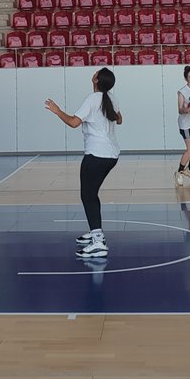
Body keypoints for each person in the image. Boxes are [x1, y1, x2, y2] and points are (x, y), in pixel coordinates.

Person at [45, 68, 122, 259]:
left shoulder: (93, 98)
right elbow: (119, 120)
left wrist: (57, 111)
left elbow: (73, 122)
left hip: (96, 154)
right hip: (111, 154)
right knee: (92, 194)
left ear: (96, 79)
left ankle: (98, 241)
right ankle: (94, 231)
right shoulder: (111, 98)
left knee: (87, 195)